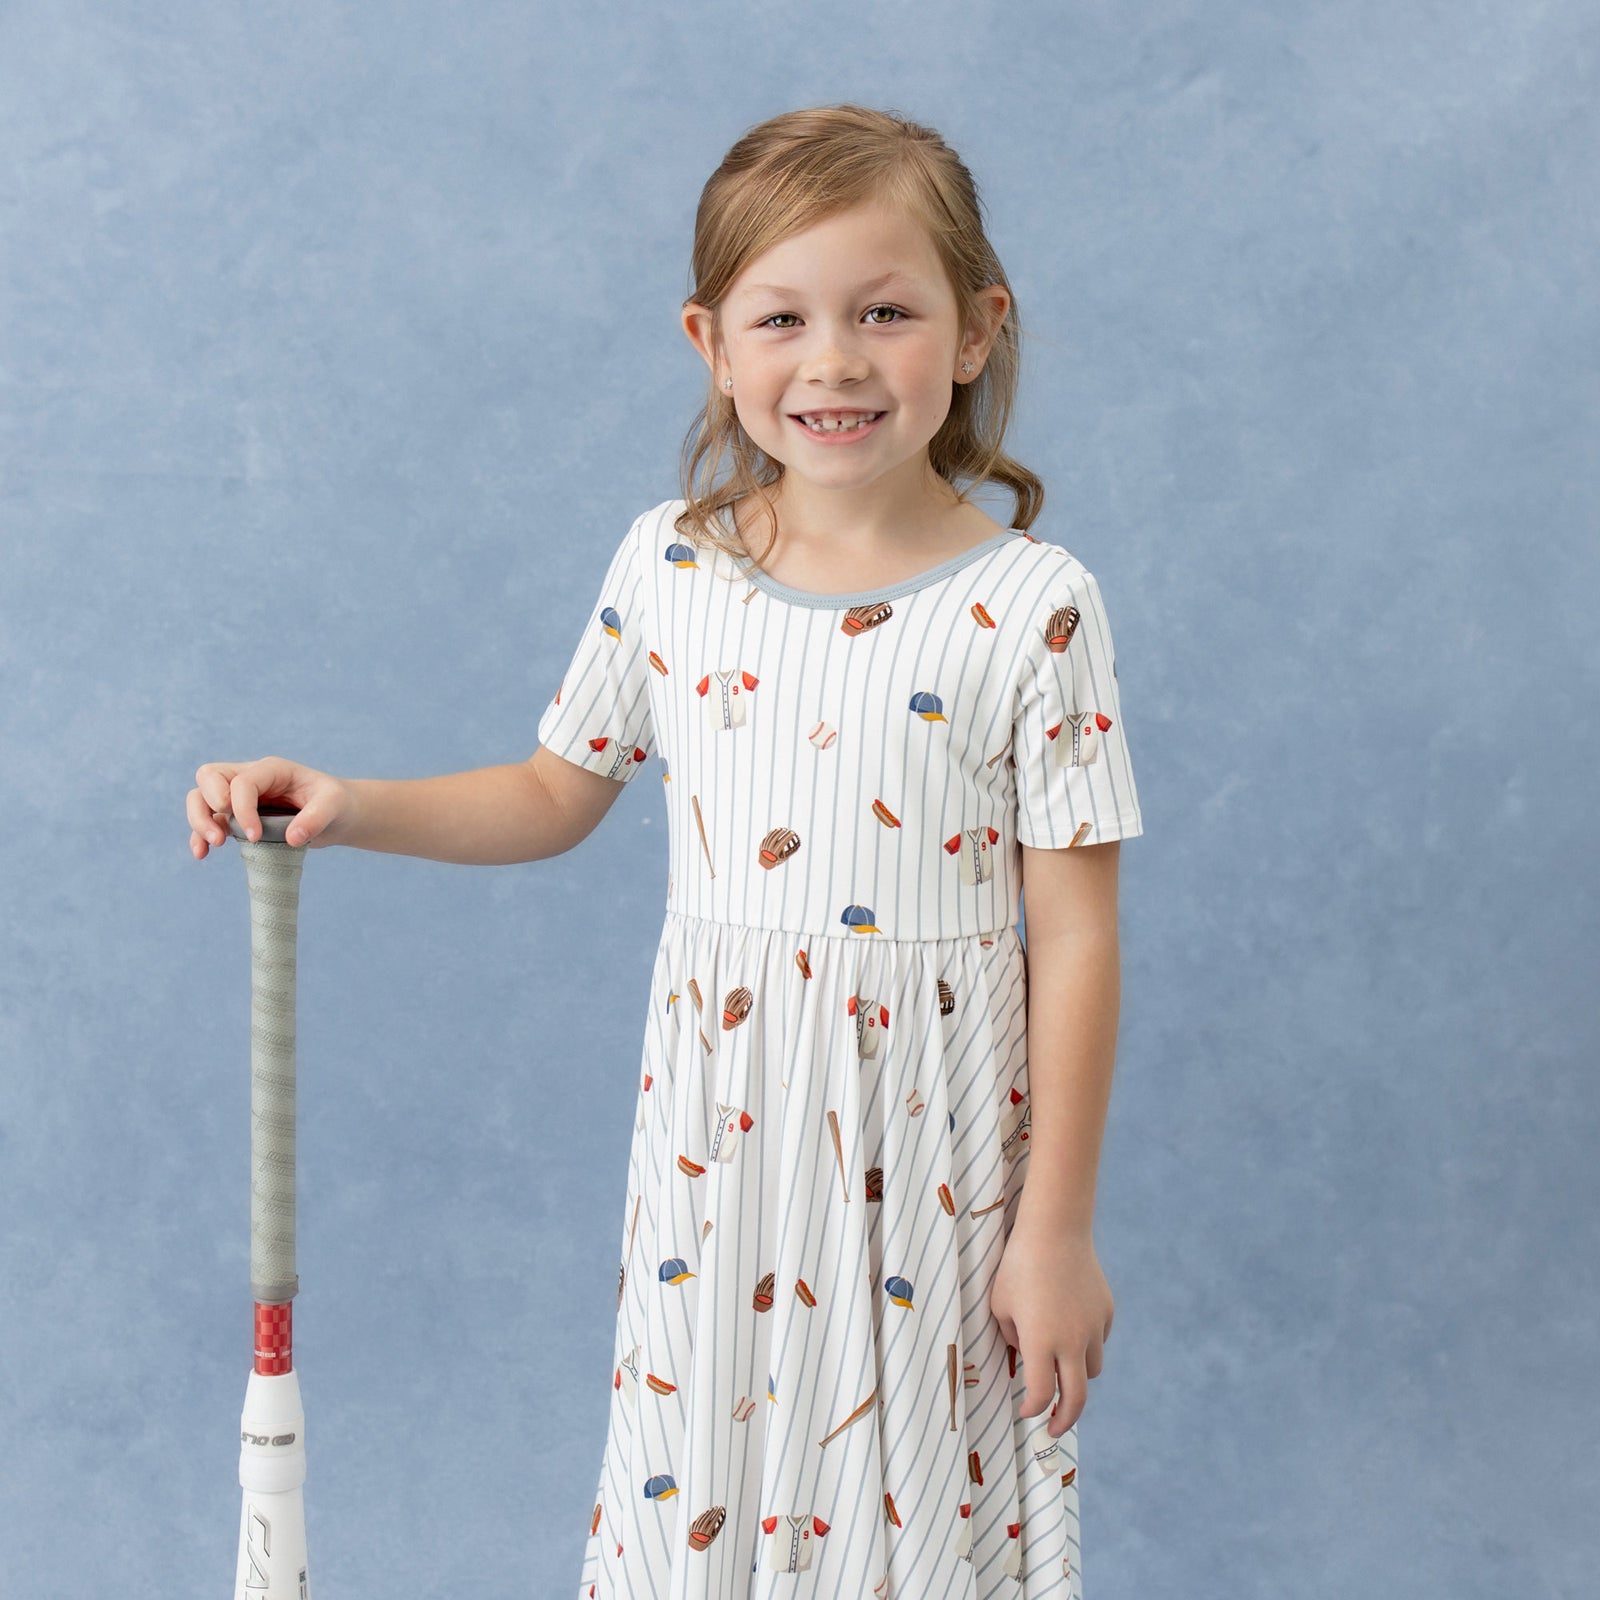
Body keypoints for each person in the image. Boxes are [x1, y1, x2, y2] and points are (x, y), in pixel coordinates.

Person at [185, 102, 1145, 1600]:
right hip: (723, 1139)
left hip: (938, 1165)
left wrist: (1058, 1231)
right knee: (706, 1483)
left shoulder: (1035, 607)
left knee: (913, 1497)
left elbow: (1074, 937)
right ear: (712, 342)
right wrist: (348, 802)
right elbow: (549, 794)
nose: (833, 361)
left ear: (976, 330)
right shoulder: (674, 567)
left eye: (885, 312)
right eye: (783, 319)